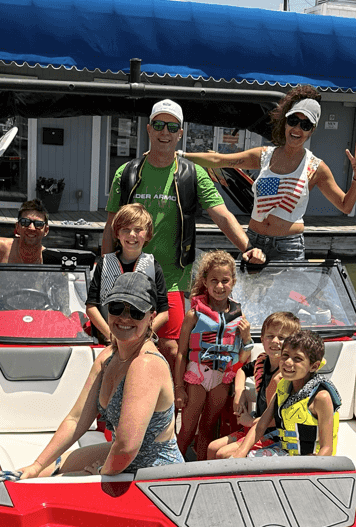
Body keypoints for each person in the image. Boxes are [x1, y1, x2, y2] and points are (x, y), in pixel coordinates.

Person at [101, 100, 266, 368]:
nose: (164, 132)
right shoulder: (127, 172)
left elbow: (223, 215)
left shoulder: (193, 173)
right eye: (159, 125)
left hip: (174, 278)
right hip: (129, 275)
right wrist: (108, 275)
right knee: (124, 342)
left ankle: (166, 401)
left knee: (170, 346)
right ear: (149, 129)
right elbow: (110, 228)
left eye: (172, 127)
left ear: (180, 133)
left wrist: (248, 248)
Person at [18, 272, 181, 479]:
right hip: (121, 462)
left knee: (49, 485)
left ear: (151, 317)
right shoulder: (108, 357)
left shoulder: (145, 364)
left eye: (136, 312)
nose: (124, 317)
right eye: (116, 308)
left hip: (152, 478)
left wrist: (100, 473)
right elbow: (76, 419)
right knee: (40, 473)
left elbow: (127, 446)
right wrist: (36, 465)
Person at [181, 85, 356, 262]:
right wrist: (178, 155)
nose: (297, 129)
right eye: (293, 121)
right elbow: (219, 160)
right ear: (285, 123)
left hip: (288, 247)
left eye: (305, 125)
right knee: (245, 295)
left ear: (312, 131)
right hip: (253, 243)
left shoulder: (316, 167)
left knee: (286, 297)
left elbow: (345, 206)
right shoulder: (263, 156)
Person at [174, 251, 252, 459]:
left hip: (222, 378)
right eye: (214, 281)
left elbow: (243, 359)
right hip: (196, 375)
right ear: (205, 283)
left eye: (225, 281)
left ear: (233, 282)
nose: (219, 286)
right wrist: (179, 388)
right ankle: (172, 470)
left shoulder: (239, 317)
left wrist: (246, 338)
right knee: (188, 429)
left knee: (208, 429)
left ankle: (202, 471)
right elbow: (181, 353)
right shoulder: (193, 314)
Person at [206, 310, 300, 461]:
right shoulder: (263, 361)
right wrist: (239, 393)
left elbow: (279, 418)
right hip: (258, 426)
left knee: (222, 454)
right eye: (270, 336)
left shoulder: (286, 376)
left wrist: (249, 421)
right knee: (212, 448)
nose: (275, 341)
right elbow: (242, 370)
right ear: (262, 339)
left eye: (282, 338)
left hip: (276, 434)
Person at [234, 330, 341, 460]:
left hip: (311, 461)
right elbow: (260, 425)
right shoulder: (283, 387)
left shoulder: (321, 398)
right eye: (285, 355)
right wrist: (241, 451)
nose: (288, 362)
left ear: (313, 366)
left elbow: (327, 448)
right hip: (285, 454)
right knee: (237, 459)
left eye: (297, 359)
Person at [85, 203, 168, 344]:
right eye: (126, 230)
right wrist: (111, 336)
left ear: (148, 234)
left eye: (138, 230)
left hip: (141, 341)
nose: (132, 235)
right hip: (109, 340)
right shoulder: (104, 264)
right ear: (117, 233)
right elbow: (91, 307)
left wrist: (141, 334)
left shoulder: (153, 266)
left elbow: (164, 313)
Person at [0, 200, 64, 267]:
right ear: (17, 227)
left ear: (46, 230)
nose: (31, 228)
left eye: (38, 224)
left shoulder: (51, 261)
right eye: (25, 222)